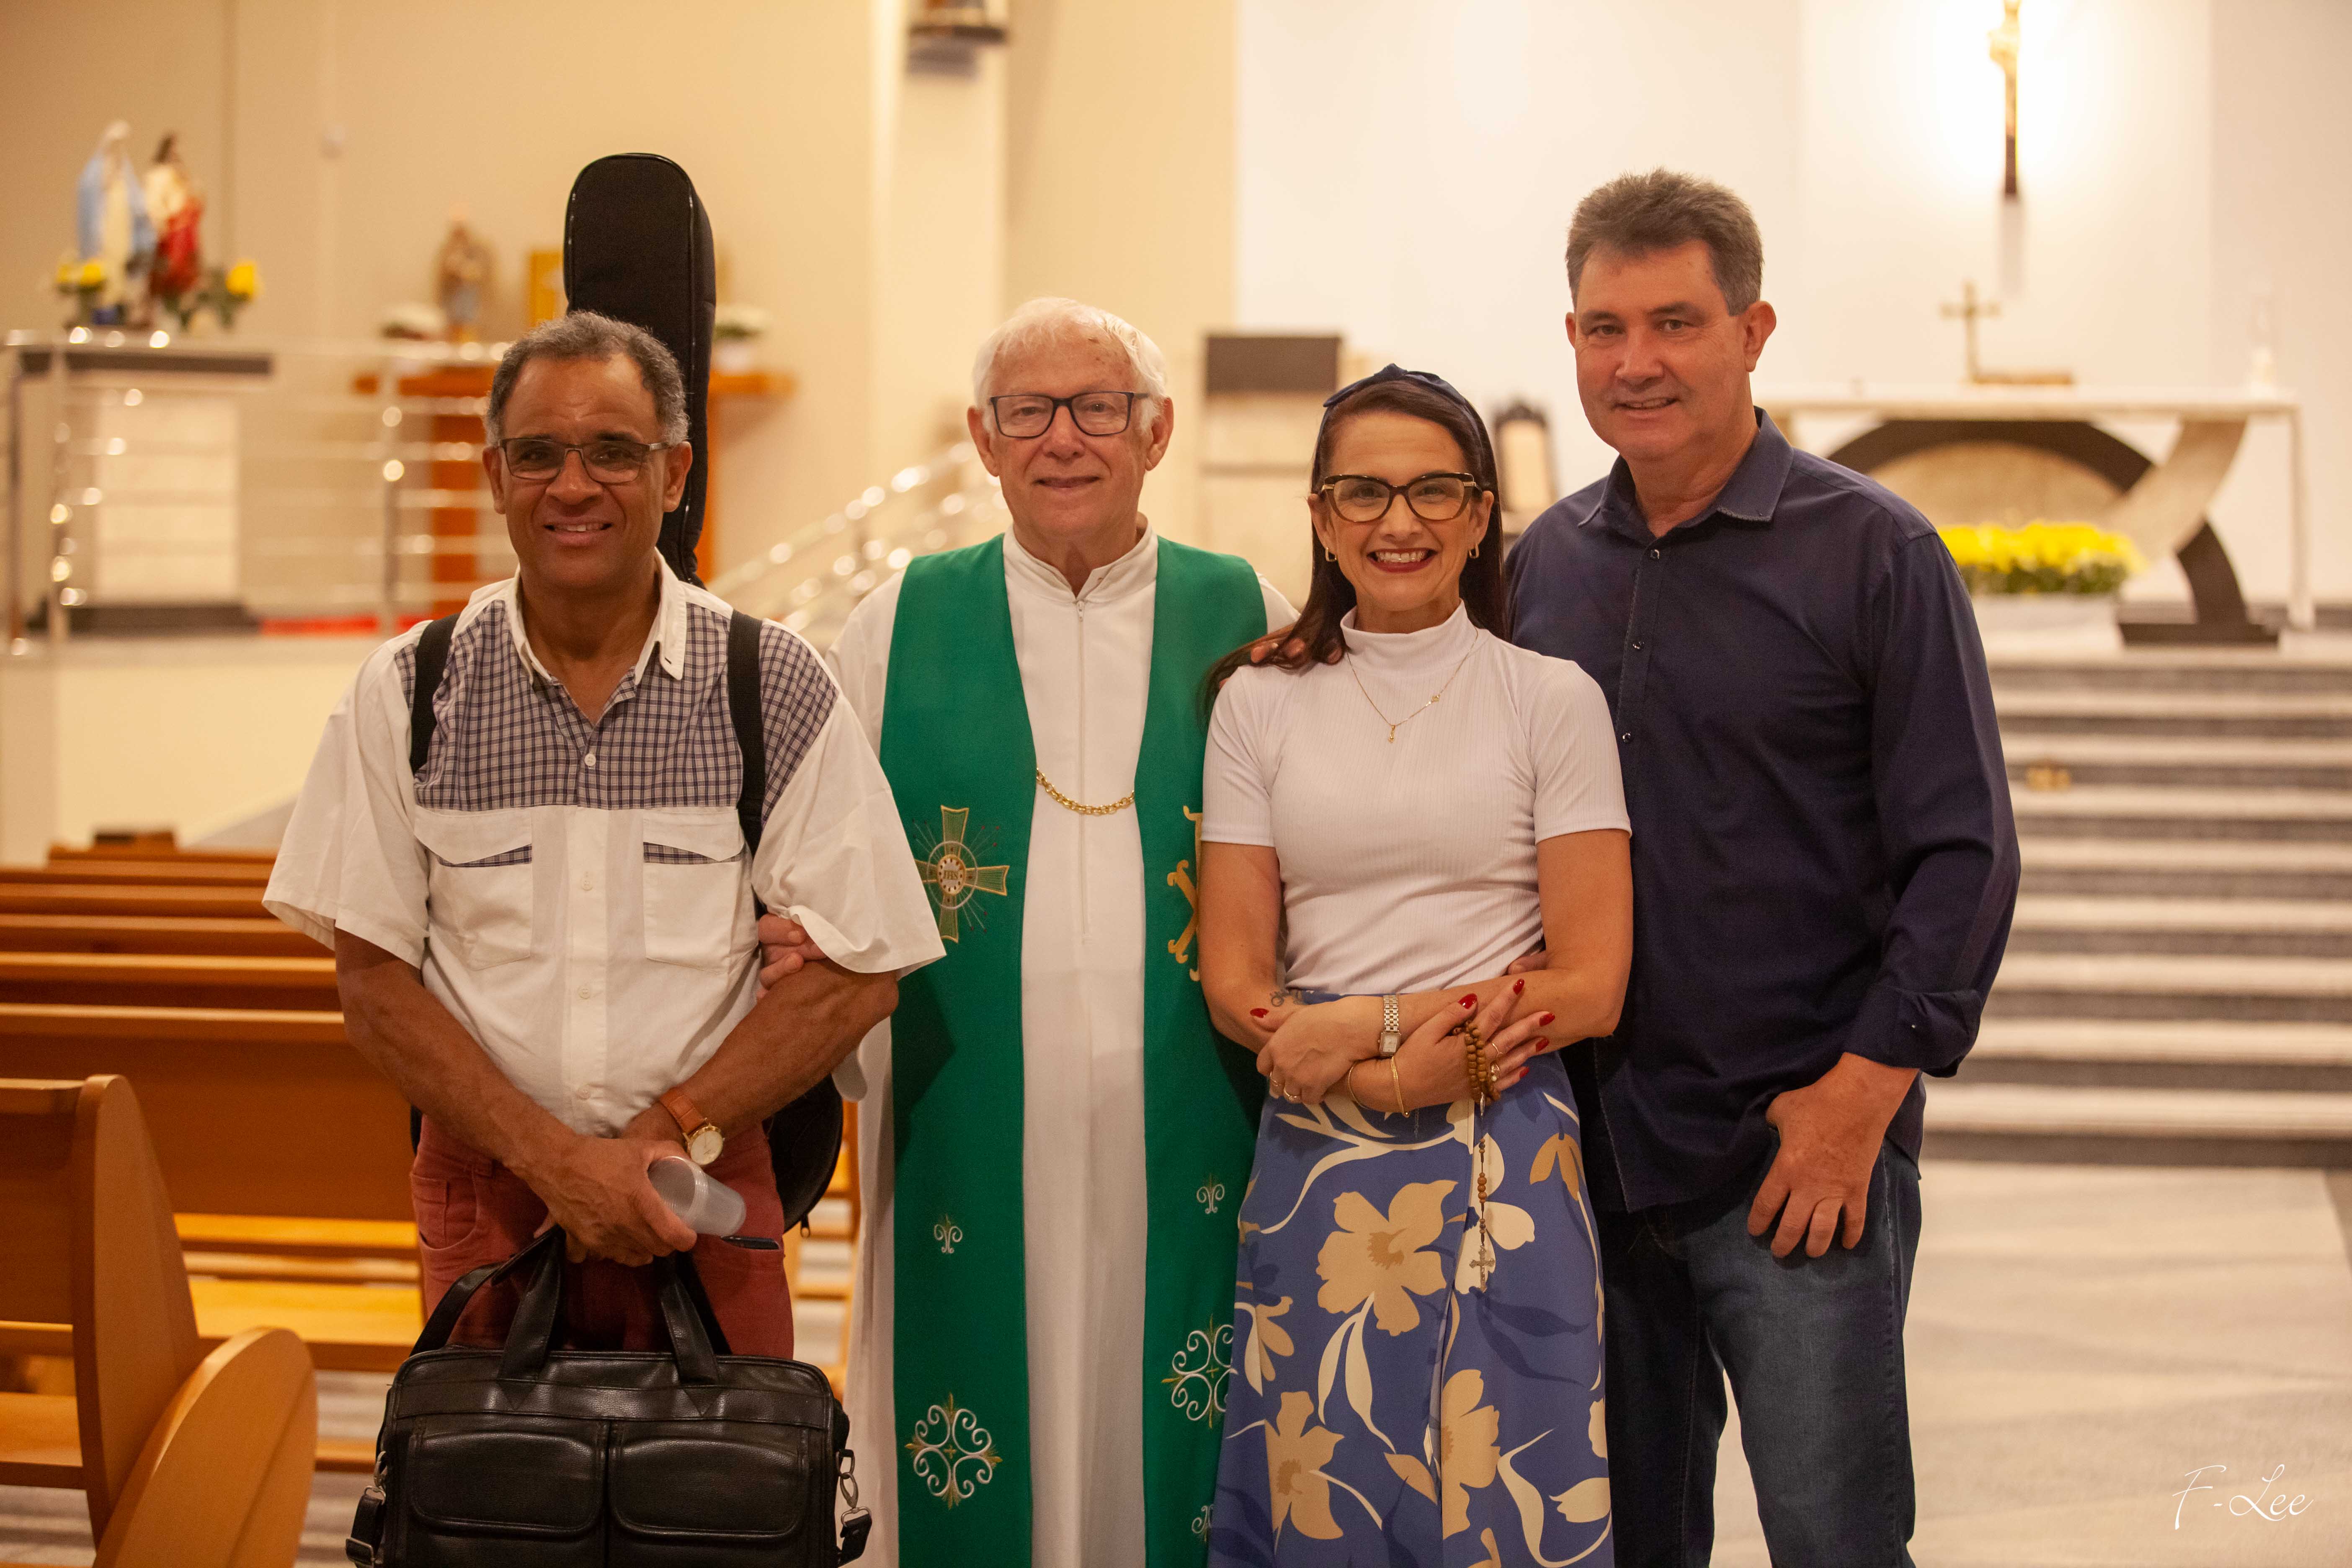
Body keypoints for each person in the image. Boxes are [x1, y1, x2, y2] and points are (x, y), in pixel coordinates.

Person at [1506, 170, 2019, 1566]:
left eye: (1675, 321)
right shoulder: (1542, 565)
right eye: (1605, 328)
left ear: (1752, 328)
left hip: (1797, 1157)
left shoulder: (1872, 553)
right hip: (1587, 1163)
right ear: (1570, 341)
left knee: (1833, 1541)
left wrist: (1859, 1096)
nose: (1638, 362)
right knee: (1613, 1546)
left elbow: (1963, 851)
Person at [264, 311, 942, 1357]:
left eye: (614, 453)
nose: (573, 487)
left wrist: (668, 1130)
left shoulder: (770, 685)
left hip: (704, 1186)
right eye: (538, 454)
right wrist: (554, 1163)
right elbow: (373, 983)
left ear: (674, 474)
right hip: (487, 1194)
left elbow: (864, 970)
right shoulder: (411, 688)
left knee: (722, 1510)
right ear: (496, 475)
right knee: (492, 1509)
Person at [759, 297, 1296, 1565]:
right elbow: (823, 856)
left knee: (1174, 1411)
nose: (1065, 439)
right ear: (982, 439)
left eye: (1098, 408)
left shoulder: (1249, 612)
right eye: (1029, 412)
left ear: (1154, 432)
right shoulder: (896, 623)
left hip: (1192, 1113)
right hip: (965, 1114)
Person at [1198, 365, 1631, 1564]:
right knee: (1328, 1490)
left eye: (1436, 490)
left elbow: (1592, 983)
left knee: (1501, 1493)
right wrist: (1362, 1063)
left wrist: (1373, 1032)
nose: (1401, 522)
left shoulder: (1550, 699)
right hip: (1316, 1153)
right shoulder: (1258, 704)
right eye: (1366, 493)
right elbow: (1235, 972)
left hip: (1503, 1119)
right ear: (1323, 517)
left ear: (1483, 512)